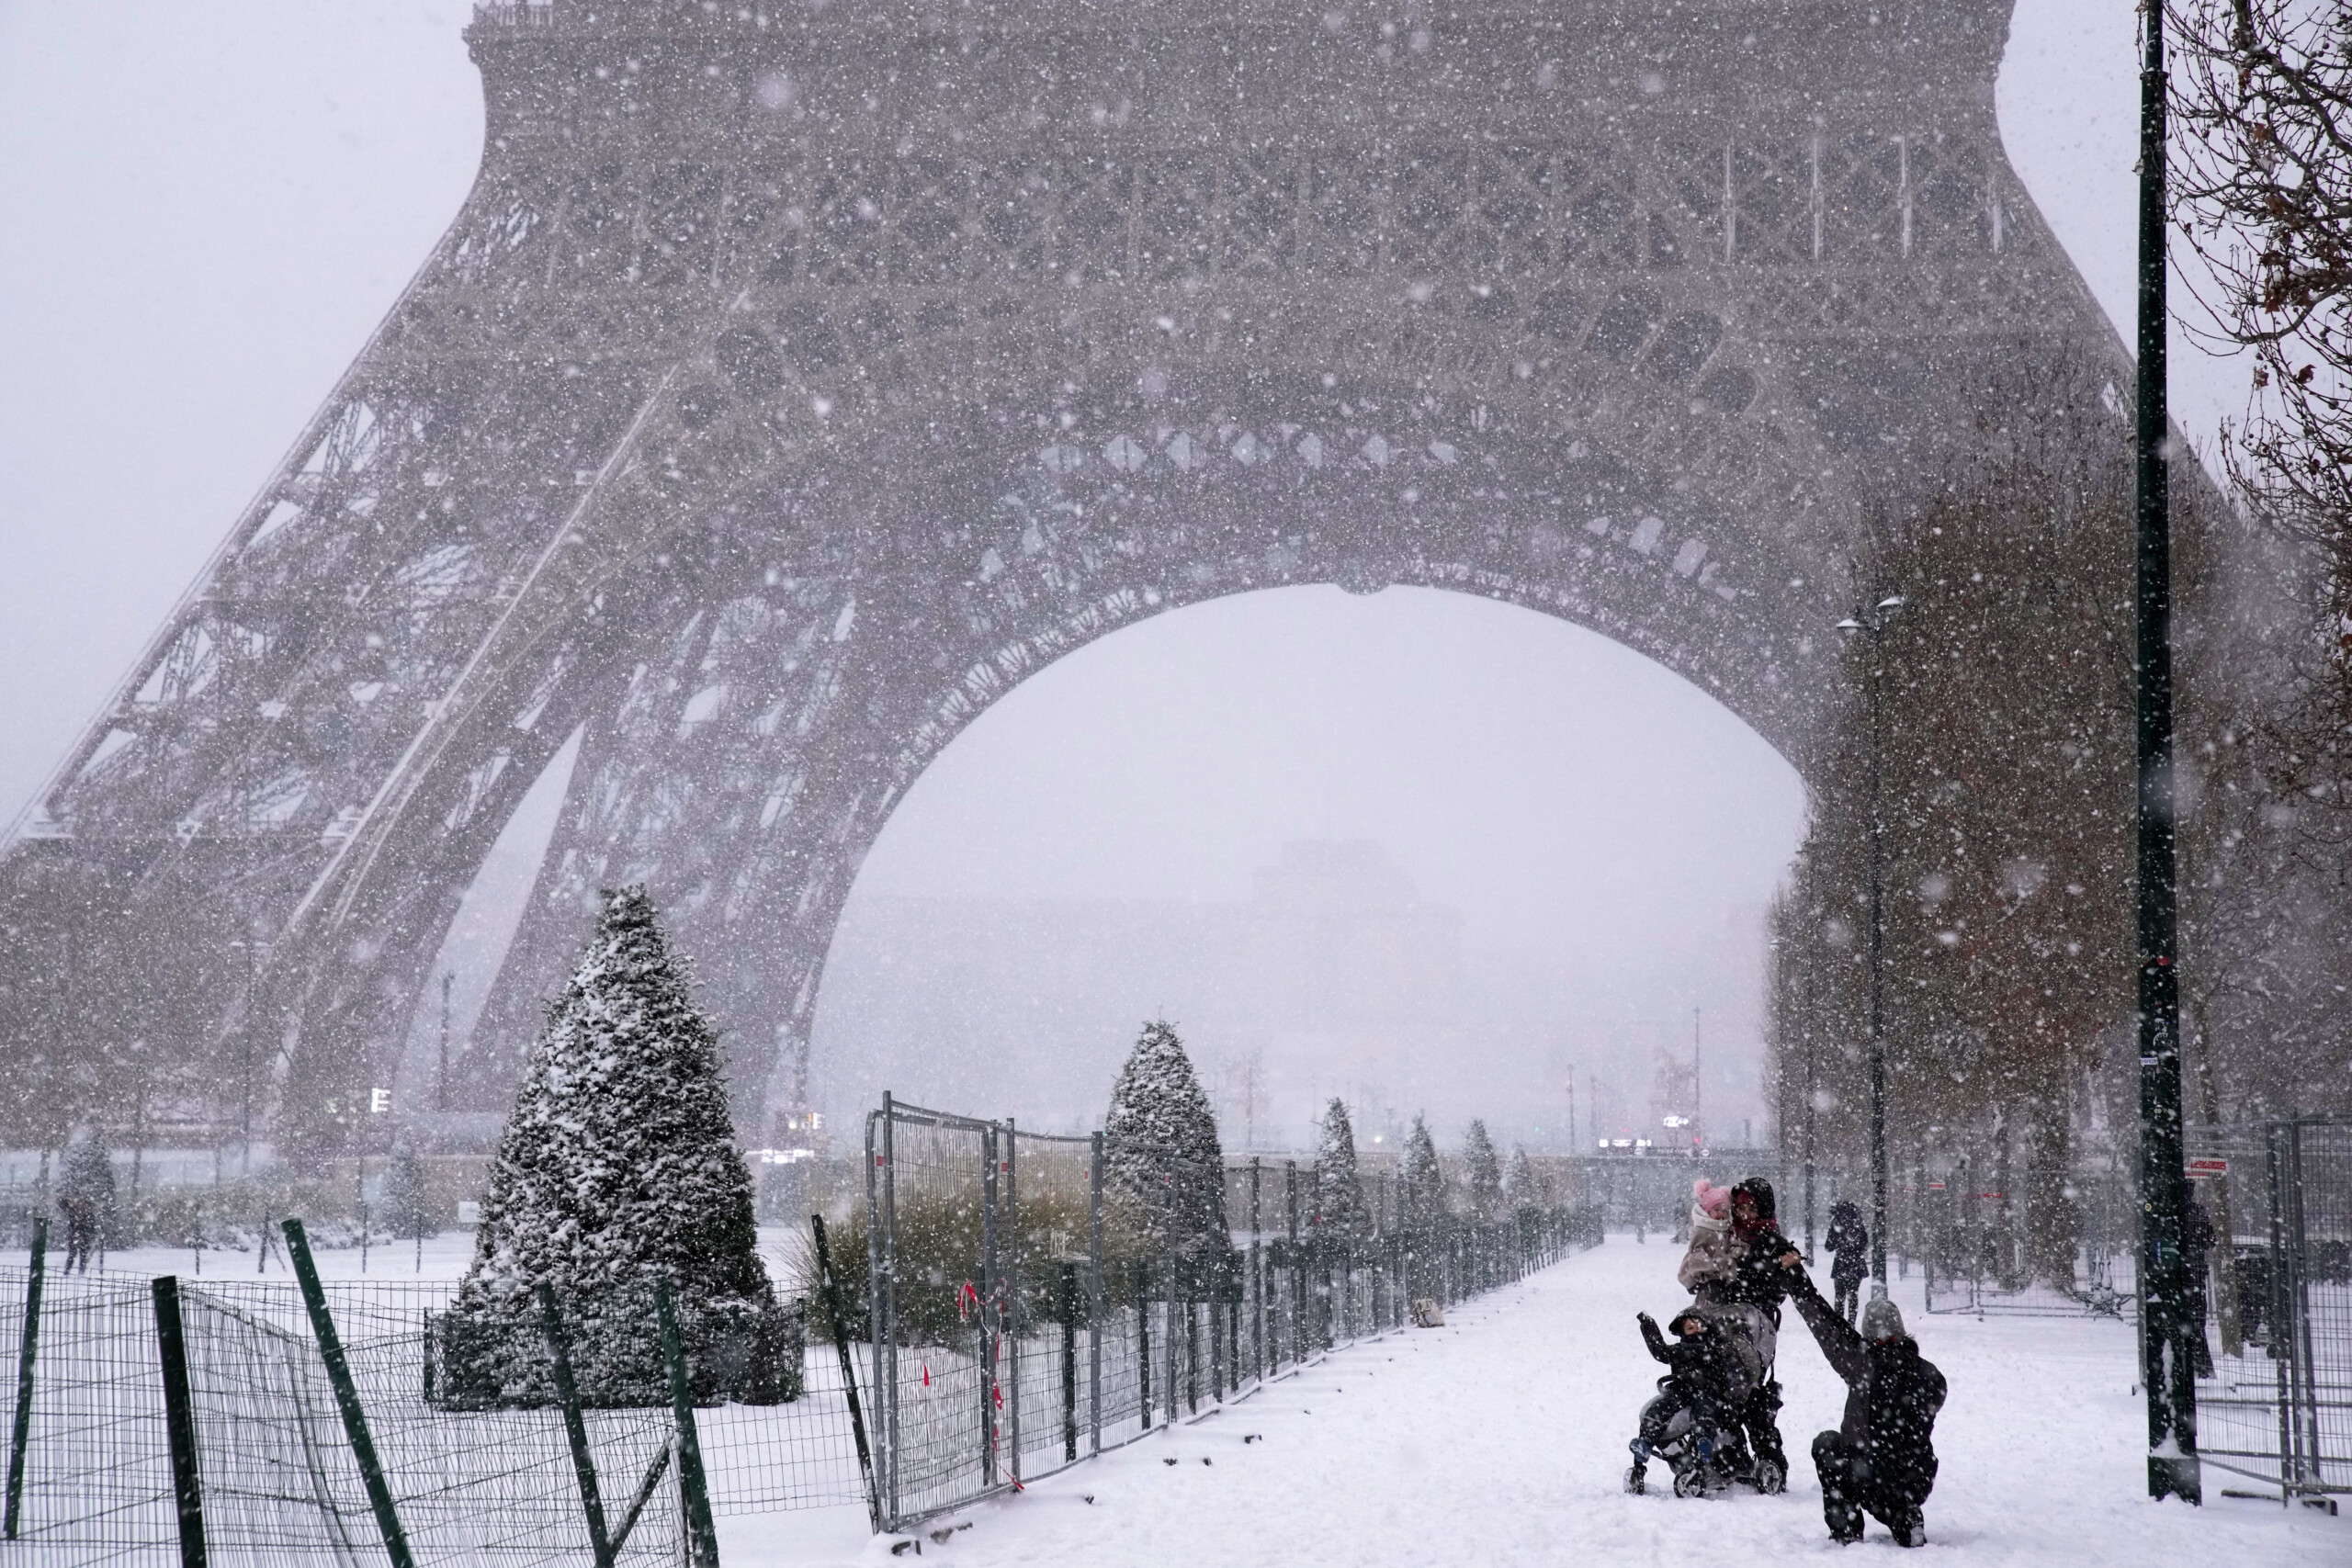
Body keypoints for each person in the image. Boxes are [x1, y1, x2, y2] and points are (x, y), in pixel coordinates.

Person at [1777, 1251, 1947, 1547]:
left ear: (1867, 1333)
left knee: (1827, 1444)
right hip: (1916, 1476)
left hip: (1868, 1473)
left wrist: (1795, 1275)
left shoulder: (1861, 1362)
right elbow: (1934, 1400)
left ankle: (1847, 1530)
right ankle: (1905, 1514)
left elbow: (1825, 1323)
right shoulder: (1929, 1374)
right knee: (1892, 1489)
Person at [1709, 1176, 1792, 1487]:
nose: (1744, 1214)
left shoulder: (1771, 1241)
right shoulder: (1729, 1236)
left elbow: (1777, 1290)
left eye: (1751, 1208)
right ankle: (1733, 1457)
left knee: (1751, 1395)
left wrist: (1743, 1278)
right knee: (1724, 1391)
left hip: (1756, 1331)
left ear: (1764, 1209)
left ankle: (1769, 1460)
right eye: (1740, 1208)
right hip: (1726, 1326)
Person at [1678, 1180, 1737, 1294]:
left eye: (1725, 1211)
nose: (1721, 1213)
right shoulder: (1702, 1230)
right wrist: (1710, 1272)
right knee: (1708, 1302)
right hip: (1706, 1278)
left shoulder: (1727, 1229)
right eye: (1716, 1210)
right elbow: (1696, 1254)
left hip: (1723, 1279)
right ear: (1707, 1211)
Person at [2182, 1195, 2216, 1377]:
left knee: (2190, 1321)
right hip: (2195, 1275)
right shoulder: (2197, 1212)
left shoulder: (2171, 1211)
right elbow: (2210, 1241)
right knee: (2197, 1322)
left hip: (2182, 1276)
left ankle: (2191, 1364)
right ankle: (2200, 1365)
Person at [1826, 1198, 1870, 1325]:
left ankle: (1839, 1325)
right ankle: (1851, 1324)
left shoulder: (1836, 1224)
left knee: (1839, 1296)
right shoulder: (1858, 1223)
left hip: (1841, 1263)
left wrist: (1837, 1240)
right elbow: (1864, 1243)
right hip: (1856, 1263)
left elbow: (1829, 1247)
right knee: (1853, 1296)